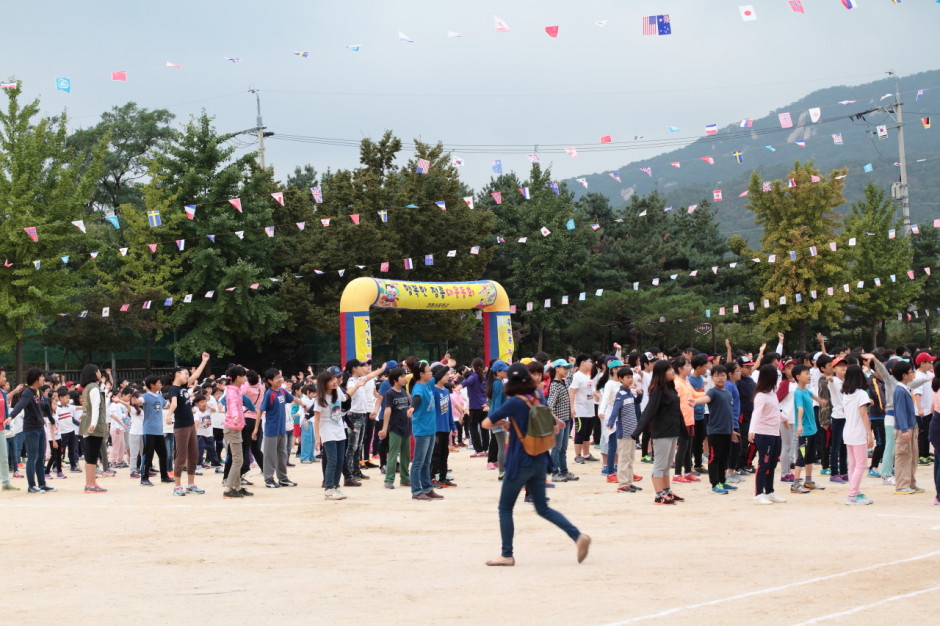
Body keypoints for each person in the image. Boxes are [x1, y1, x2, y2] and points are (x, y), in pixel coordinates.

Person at [482, 363, 590, 566]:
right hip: (540, 458)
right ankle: (577, 536)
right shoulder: (538, 396)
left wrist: (502, 423)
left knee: (505, 508)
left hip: (519, 461)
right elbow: (548, 419)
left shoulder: (514, 402)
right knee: (542, 507)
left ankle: (506, 554)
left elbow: (486, 423)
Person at [631, 360, 684, 505]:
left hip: (672, 431)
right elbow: (649, 412)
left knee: (667, 464)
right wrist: (637, 432)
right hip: (661, 433)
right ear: (661, 373)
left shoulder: (671, 389)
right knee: (660, 465)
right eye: (668, 370)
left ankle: (667, 491)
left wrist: (683, 429)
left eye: (672, 369)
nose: (672, 371)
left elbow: (677, 412)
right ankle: (659, 495)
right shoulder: (658, 391)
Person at [165, 353, 211, 496]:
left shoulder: (184, 386)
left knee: (193, 455)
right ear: (177, 374)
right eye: (185, 374)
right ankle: (177, 486)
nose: (187, 376)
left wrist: (204, 361)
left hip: (191, 425)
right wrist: (168, 415)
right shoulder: (173, 389)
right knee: (181, 456)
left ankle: (191, 484)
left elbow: (196, 375)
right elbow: (174, 403)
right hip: (181, 426)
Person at [689, 364, 738, 495]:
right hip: (715, 432)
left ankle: (722, 480)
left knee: (724, 458)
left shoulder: (727, 393)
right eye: (717, 376)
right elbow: (706, 398)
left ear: (726, 376)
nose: (720, 378)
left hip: (727, 431)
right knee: (714, 458)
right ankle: (715, 483)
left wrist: (732, 430)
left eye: (722, 375)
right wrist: (696, 401)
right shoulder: (712, 391)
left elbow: (728, 413)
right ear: (712, 378)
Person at [12, 368, 56, 494]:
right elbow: (20, 405)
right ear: (36, 378)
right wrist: (11, 416)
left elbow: (46, 406)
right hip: (31, 429)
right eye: (42, 376)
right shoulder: (27, 392)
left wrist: (52, 419)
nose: (44, 379)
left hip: (40, 428)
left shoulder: (38, 392)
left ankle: (42, 484)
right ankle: (32, 486)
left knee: (41, 457)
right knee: (32, 457)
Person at [750, 364, 788, 504]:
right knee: (763, 464)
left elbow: (775, 410)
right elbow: (756, 414)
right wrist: (751, 431)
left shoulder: (772, 394)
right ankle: (758, 493)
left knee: (772, 464)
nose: (778, 379)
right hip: (763, 433)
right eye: (776, 376)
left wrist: (784, 419)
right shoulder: (761, 396)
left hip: (774, 433)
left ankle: (770, 491)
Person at [258, 368, 298, 489]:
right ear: (270, 381)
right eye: (277, 378)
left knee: (282, 454)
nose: (280, 380)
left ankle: (283, 478)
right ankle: (269, 478)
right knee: (270, 455)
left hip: (282, 429)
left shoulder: (282, 391)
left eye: (280, 377)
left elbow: (293, 399)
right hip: (271, 429)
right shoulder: (269, 394)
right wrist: (256, 429)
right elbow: (260, 411)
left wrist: (305, 406)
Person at [841, 365, 874, 505]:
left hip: (848, 432)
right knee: (861, 465)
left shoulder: (846, 394)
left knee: (853, 465)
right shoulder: (861, 394)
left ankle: (854, 491)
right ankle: (853, 494)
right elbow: (863, 414)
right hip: (858, 433)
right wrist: (869, 434)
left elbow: (846, 410)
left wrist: (867, 403)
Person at [606, 366, 642, 493]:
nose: (630, 379)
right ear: (620, 379)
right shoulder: (620, 394)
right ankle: (622, 483)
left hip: (632, 431)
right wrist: (610, 422)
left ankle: (629, 482)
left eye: (631, 377)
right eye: (627, 377)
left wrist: (639, 396)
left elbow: (636, 404)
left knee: (631, 458)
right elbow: (615, 409)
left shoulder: (630, 393)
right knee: (624, 458)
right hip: (624, 432)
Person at [314, 370, 348, 500]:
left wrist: (359, 385)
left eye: (334, 379)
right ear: (324, 384)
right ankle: (328, 489)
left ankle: (335, 486)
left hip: (339, 429)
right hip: (327, 431)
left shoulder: (338, 391)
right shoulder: (320, 399)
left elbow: (346, 397)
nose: (334, 382)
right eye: (331, 380)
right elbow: (316, 420)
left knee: (340, 460)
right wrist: (318, 437)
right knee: (332, 460)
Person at [409, 362, 440, 500]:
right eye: (428, 371)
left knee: (427, 462)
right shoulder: (418, 388)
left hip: (431, 429)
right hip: (422, 430)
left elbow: (438, 374)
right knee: (418, 463)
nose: (431, 373)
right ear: (421, 374)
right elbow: (417, 399)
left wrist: (446, 363)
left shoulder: (428, 384)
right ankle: (416, 491)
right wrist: (412, 408)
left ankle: (427, 489)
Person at [892, 360, 923, 495]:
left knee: (912, 456)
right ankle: (902, 484)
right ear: (904, 375)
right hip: (903, 428)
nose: (913, 374)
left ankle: (911, 482)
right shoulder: (899, 390)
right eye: (911, 372)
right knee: (903, 456)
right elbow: (900, 412)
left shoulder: (906, 389)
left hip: (911, 426)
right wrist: (904, 429)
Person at [379, 367, 412, 490]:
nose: (404, 379)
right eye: (402, 377)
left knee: (406, 455)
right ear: (394, 379)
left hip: (406, 427)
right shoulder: (390, 393)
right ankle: (389, 479)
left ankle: (405, 478)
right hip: (395, 428)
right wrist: (384, 429)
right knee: (393, 454)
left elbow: (410, 404)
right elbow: (387, 410)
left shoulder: (404, 391)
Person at [222, 365, 252, 499]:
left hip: (236, 427)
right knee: (238, 459)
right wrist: (234, 416)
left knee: (237, 459)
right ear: (238, 378)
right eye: (244, 376)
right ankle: (229, 488)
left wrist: (244, 369)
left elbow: (246, 386)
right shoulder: (232, 392)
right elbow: (232, 405)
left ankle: (238, 487)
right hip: (232, 427)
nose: (246, 378)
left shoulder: (236, 388)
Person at [791, 365, 822, 495]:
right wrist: (799, 425)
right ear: (798, 377)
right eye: (806, 373)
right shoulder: (798, 392)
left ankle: (808, 481)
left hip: (812, 430)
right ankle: (795, 484)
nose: (809, 375)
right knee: (801, 458)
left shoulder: (806, 391)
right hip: (804, 432)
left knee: (810, 457)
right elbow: (800, 409)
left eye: (809, 373)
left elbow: (814, 396)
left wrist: (822, 401)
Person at [79, 364, 108, 493]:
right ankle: (90, 484)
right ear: (94, 373)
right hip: (93, 425)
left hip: (87, 423)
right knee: (92, 456)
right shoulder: (94, 388)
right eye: (98, 371)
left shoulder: (87, 388)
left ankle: (91, 482)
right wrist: (94, 424)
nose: (99, 373)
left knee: (90, 455)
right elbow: (96, 407)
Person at [546, 359, 576, 483]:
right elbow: (549, 406)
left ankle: (564, 471)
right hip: (559, 421)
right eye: (564, 368)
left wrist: (573, 365)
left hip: (566, 420)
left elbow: (571, 379)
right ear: (557, 368)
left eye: (567, 368)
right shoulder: (555, 385)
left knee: (563, 448)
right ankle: (555, 472)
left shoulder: (563, 382)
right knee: (557, 448)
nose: (566, 370)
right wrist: (556, 421)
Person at [139, 374, 172, 487]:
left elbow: (167, 405)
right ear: (152, 385)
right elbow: (140, 400)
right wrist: (136, 401)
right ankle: (144, 478)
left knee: (163, 454)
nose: (160, 384)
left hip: (159, 431)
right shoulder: (146, 396)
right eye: (158, 383)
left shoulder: (159, 397)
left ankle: (164, 476)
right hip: (149, 431)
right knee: (148, 455)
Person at [430, 365, 457, 487]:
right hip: (436, 428)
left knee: (444, 453)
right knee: (435, 454)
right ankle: (431, 478)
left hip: (445, 427)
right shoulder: (433, 391)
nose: (448, 377)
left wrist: (453, 426)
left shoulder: (446, 391)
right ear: (439, 376)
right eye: (446, 375)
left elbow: (449, 411)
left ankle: (443, 477)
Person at [569, 355, 597, 464]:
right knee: (580, 432)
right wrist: (572, 408)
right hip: (580, 410)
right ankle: (578, 455)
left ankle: (586, 454)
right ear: (583, 363)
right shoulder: (577, 376)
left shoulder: (588, 376)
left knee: (587, 433)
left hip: (590, 409)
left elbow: (591, 391)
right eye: (590, 362)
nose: (591, 364)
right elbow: (572, 392)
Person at [0, 368, 21, 492]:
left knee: (3, 456)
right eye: (3, 376)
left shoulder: (2, 392)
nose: (5, 379)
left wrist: (15, 391)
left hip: (1, 429)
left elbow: (6, 398)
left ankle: (6, 482)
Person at [464, 358, 489, 457]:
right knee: (484, 428)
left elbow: (466, 383)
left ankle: (478, 449)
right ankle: (485, 448)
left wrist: (459, 386)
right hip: (484, 405)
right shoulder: (484, 377)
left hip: (474, 406)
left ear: (473, 366)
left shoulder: (473, 377)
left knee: (473, 427)